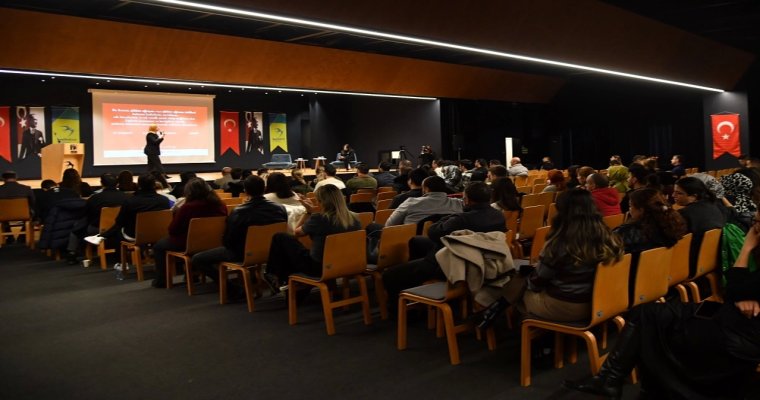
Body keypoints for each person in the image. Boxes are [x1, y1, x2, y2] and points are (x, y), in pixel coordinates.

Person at [565, 211, 760, 399]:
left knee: (648, 315)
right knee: (654, 313)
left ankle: (611, 380)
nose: (753, 227)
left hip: (738, 333)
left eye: (757, 222)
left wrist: (746, 248)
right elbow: (738, 289)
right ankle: (610, 379)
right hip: (734, 320)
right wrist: (743, 293)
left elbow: (733, 289)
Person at [478, 190, 624, 328]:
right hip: (597, 302)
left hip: (564, 307)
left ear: (562, 213)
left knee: (519, 281)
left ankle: (497, 311)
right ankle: (496, 310)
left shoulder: (560, 243)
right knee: (523, 278)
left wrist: (530, 275)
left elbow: (536, 284)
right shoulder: (609, 237)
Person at [382, 182, 506, 308]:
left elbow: (433, 232)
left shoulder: (461, 219)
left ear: (467, 200)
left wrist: (448, 217)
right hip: (482, 257)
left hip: (451, 263)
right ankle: (420, 281)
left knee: (389, 275)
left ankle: (400, 311)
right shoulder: (498, 215)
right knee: (416, 241)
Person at [191, 175, 288, 295]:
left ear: (245, 191)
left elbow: (228, 240)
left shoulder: (238, 212)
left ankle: (233, 290)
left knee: (197, 259)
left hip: (242, 253)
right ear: (264, 189)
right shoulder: (280, 208)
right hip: (272, 251)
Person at [265, 184, 361, 289]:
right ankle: (281, 279)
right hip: (347, 262)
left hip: (319, 267)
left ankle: (273, 275)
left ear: (321, 202)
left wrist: (308, 212)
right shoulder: (355, 217)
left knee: (280, 237)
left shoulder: (318, 218)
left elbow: (295, 233)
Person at [151, 178, 227, 287]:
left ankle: (161, 281)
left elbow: (173, 229)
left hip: (187, 242)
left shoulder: (187, 207)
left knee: (158, 246)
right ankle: (192, 275)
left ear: (189, 192)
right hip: (214, 242)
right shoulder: (220, 205)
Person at [95, 173, 171, 256]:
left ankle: (120, 260)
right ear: (154, 185)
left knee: (117, 233)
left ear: (138, 185)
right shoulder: (164, 200)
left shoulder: (131, 201)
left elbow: (120, 222)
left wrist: (104, 235)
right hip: (158, 234)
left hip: (133, 235)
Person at [65, 173, 129, 264]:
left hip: (98, 229)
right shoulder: (127, 197)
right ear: (117, 184)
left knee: (78, 225)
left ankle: (72, 253)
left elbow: (86, 214)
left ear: (101, 183)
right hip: (122, 229)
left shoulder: (95, 198)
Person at [673, 177, 726, 275]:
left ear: (694, 196)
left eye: (679, 193)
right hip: (711, 260)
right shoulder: (713, 206)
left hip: (689, 264)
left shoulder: (685, 213)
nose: (673, 195)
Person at [385, 176, 463, 226]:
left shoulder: (411, 202)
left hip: (412, 243)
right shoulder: (458, 203)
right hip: (448, 242)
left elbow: (389, 224)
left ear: (426, 189)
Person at [0, 171, 36, 244]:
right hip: (24, 215)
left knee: (3, 215)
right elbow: (33, 202)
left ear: (3, 179)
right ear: (16, 178)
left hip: (3, 216)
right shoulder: (26, 188)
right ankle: (22, 238)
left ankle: (10, 238)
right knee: (31, 214)